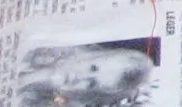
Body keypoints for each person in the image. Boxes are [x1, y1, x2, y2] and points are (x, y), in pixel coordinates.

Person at [17, 42, 155, 107]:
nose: (81, 77)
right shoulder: (40, 45)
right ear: (87, 54)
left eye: (91, 84)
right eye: (92, 68)